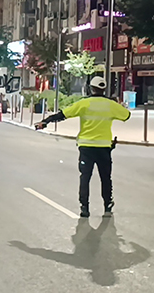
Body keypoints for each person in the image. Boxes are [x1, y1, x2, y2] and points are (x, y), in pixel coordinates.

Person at [34, 76, 130, 218]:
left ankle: (84, 207)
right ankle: (107, 205)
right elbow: (126, 116)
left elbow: (63, 115)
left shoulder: (84, 103)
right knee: (106, 177)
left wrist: (45, 122)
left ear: (91, 88)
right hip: (104, 147)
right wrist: (116, 104)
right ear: (104, 89)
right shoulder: (110, 105)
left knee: (85, 177)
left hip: (86, 147)